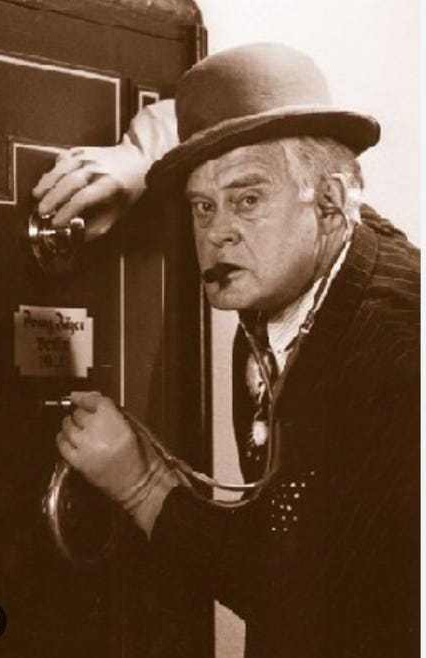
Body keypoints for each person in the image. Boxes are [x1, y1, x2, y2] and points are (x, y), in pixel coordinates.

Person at [33, 43, 419, 657]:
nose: (217, 233)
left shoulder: (396, 353)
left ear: (329, 202)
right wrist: (138, 159)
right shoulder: (313, 255)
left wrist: (142, 483)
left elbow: (301, 594)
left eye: (247, 200)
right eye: (202, 207)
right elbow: (216, 120)